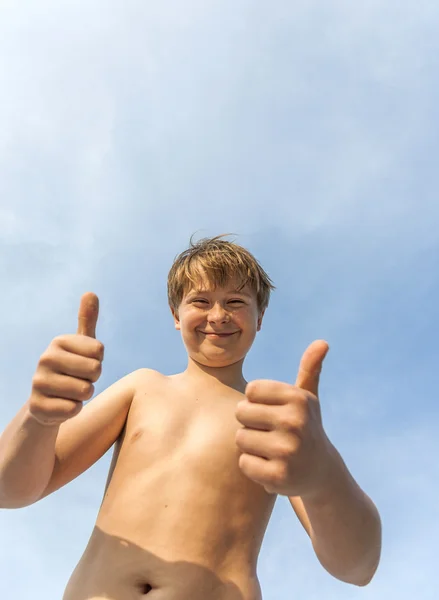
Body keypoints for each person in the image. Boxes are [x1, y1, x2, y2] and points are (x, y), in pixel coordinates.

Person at [0, 235, 381, 599]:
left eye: (235, 301)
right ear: (176, 316)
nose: (218, 315)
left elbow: (357, 567)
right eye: (201, 301)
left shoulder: (270, 419)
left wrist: (324, 475)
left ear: (260, 317)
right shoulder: (141, 388)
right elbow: (10, 490)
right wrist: (39, 417)